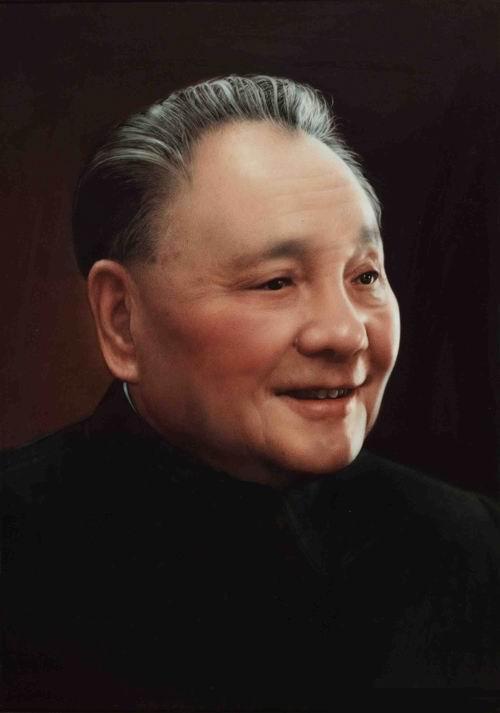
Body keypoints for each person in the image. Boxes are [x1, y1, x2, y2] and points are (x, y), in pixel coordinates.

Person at [2, 75, 500, 708]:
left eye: (365, 275)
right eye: (275, 282)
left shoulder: (471, 547)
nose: (346, 333)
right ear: (123, 319)